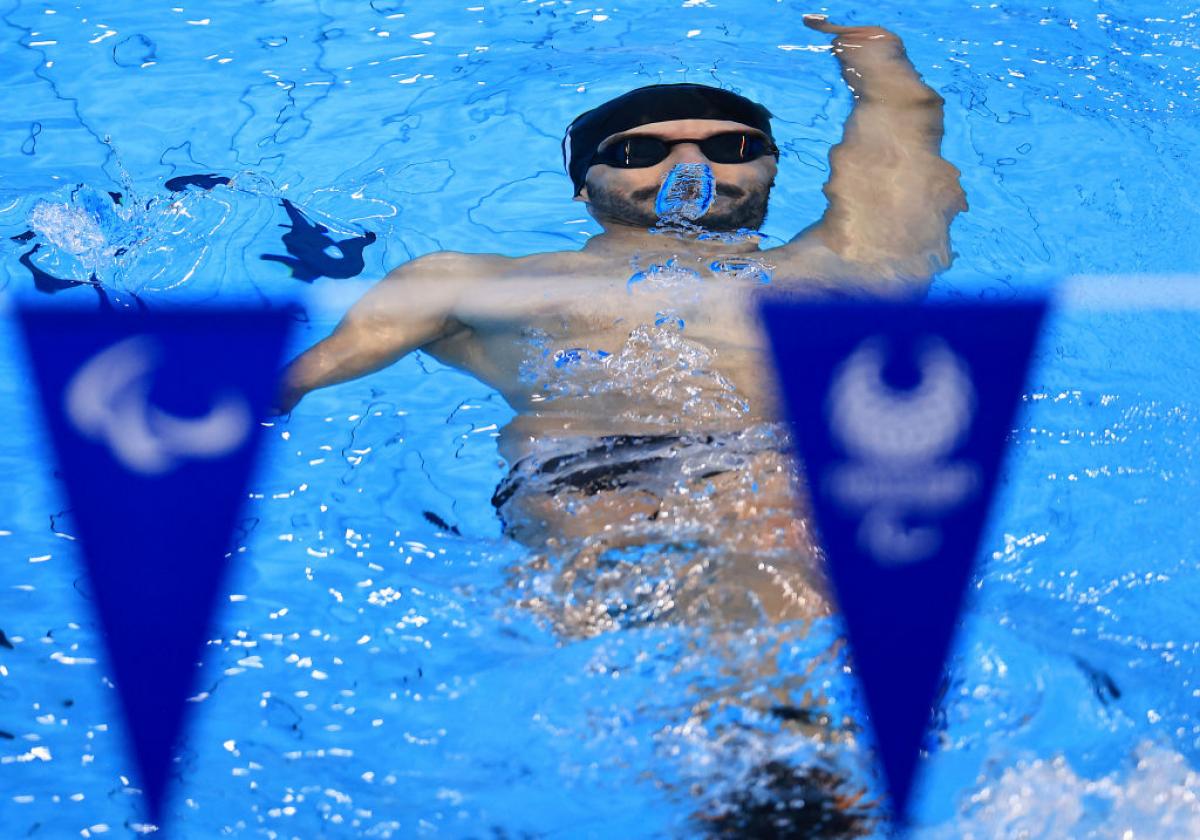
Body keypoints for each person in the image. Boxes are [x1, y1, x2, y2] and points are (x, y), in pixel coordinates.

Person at [275, 15, 966, 637]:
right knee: (638, 615)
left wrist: (876, 56)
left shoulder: (847, 263)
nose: (690, 165)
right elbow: (298, 376)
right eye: (642, 152)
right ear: (585, 183)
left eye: (730, 144)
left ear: (770, 166)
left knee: (786, 553)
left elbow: (902, 163)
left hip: (774, 468)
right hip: (581, 478)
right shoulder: (475, 280)